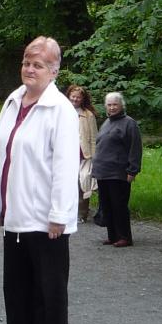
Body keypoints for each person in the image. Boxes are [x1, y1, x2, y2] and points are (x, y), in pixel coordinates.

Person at [0, 37, 78, 324]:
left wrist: (59, 214)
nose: (29, 69)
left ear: (54, 71)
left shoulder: (60, 110)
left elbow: (65, 166)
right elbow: (3, 157)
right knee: (16, 288)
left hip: (45, 218)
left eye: (38, 65)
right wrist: (0, 205)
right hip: (16, 214)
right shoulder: (14, 101)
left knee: (48, 290)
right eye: (27, 62)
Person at [91, 92, 142, 247]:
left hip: (118, 172)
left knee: (119, 205)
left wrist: (132, 170)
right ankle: (112, 236)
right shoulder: (107, 122)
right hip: (103, 172)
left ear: (121, 105)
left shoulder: (129, 123)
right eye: (109, 105)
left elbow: (135, 148)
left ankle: (124, 237)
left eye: (115, 104)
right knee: (106, 205)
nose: (112, 107)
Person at [66, 85, 99, 222]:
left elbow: (94, 138)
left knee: (83, 183)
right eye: (73, 96)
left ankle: (82, 214)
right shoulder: (62, 111)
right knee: (67, 184)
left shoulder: (88, 115)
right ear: (68, 96)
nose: (75, 99)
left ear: (83, 99)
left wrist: (94, 157)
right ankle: (67, 212)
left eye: (78, 97)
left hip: (84, 156)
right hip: (66, 155)